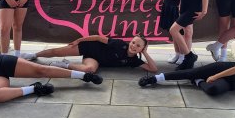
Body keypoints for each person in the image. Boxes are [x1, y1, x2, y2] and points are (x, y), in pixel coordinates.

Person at [27, 35, 158, 73]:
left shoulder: (134, 61)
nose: (134, 46)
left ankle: (65, 64)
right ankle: (34, 55)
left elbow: (153, 69)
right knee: (56, 51)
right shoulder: (119, 44)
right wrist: (79, 40)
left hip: (93, 58)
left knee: (89, 70)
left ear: (141, 49)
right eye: (133, 42)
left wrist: (145, 53)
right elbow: (98, 38)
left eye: (138, 46)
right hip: (89, 47)